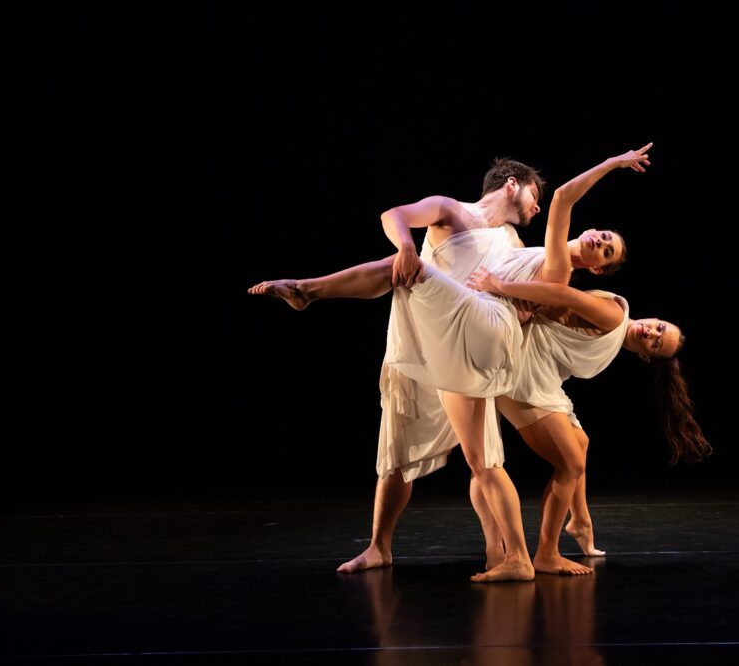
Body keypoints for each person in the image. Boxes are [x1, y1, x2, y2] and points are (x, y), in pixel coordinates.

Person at [248, 146, 645, 581]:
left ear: (595, 268)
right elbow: (395, 215)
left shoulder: (552, 263)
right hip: (441, 335)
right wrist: (407, 246)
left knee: (408, 267)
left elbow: (563, 206)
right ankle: (466, 551)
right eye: (604, 236)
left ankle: (309, 289)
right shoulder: (493, 232)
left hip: (482, 331)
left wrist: (611, 165)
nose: (537, 204)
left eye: (606, 251)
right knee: (464, 458)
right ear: (512, 184)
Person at [465, 264, 713, 573]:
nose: (650, 332)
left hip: (539, 377)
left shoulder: (615, 332)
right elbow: (563, 293)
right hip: (523, 377)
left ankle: (580, 521)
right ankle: (547, 554)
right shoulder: (614, 316)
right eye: (658, 328)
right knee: (571, 465)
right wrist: (499, 285)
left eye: (656, 342)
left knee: (581, 442)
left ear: (646, 356)